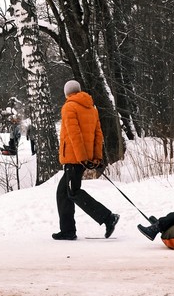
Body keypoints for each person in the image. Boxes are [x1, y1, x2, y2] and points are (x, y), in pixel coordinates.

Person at [53, 80, 120, 240]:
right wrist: (96, 158)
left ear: (67, 93)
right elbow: (98, 135)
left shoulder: (69, 107)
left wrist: (82, 158)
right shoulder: (91, 108)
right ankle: (67, 230)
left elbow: (74, 135)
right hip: (82, 157)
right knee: (63, 193)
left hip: (74, 158)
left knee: (73, 192)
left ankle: (107, 217)